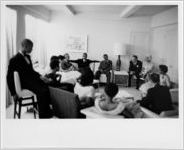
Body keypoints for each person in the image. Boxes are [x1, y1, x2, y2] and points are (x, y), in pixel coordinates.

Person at [7, 39, 53, 118]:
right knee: (41, 91)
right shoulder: (14, 59)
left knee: (46, 86)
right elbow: (9, 77)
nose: (32, 49)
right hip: (24, 83)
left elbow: (32, 71)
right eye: (31, 48)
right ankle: (43, 116)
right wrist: (13, 93)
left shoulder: (28, 56)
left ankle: (47, 110)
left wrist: (41, 77)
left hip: (31, 81)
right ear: (25, 46)